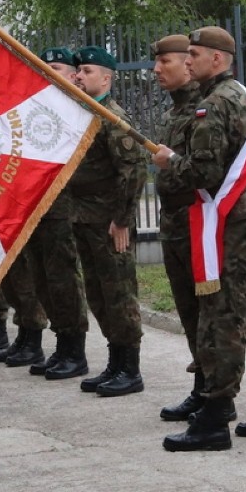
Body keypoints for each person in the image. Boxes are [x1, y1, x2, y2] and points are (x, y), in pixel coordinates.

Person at [153, 27, 246, 452]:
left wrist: (168, 161)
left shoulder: (211, 106)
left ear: (217, 59)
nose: (188, 60)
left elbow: (203, 173)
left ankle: (215, 417)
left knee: (221, 313)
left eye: (194, 54)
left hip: (229, 218)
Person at [68, 46, 147, 396]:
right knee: (98, 295)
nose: (79, 76)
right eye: (79, 71)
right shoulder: (83, 113)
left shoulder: (113, 117)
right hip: (83, 218)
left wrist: (122, 220)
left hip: (108, 222)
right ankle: (115, 362)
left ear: (106, 77)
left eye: (86, 71)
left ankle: (130, 368)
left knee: (119, 294)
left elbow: (134, 170)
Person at [149, 34, 209, 420]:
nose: (157, 69)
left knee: (209, 312)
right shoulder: (172, 113)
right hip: (173, 222)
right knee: (188, 310)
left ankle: (216, 392)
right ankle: (202, 386)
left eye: (164, 62)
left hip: (199, 221)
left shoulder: (206, 109)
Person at [26, 47, 90, 379]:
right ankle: (61, 344)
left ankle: (74, 350)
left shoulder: (82, 109)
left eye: (56, 68)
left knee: (64, 280)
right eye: (44, 68)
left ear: (73, 74)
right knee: (43, 281)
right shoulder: (42, 107)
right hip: (40, 208)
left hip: (66, 210)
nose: (49, 73)